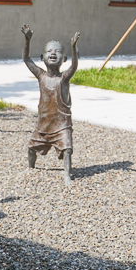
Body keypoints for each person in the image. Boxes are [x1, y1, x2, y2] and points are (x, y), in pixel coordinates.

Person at [21, 24, 80, 183]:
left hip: (61, 124)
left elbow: (74, 67)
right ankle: (30, 168)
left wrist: (73, 48)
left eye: (58, 51)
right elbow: (26, 59)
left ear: (64, 59)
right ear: (42, 57)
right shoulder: (41, 75)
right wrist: (27, 40)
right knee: (31, 147)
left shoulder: (64, 78)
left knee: (67, 149)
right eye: (49, 51)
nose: (53, 53)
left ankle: (67, 175)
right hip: (44, 124)